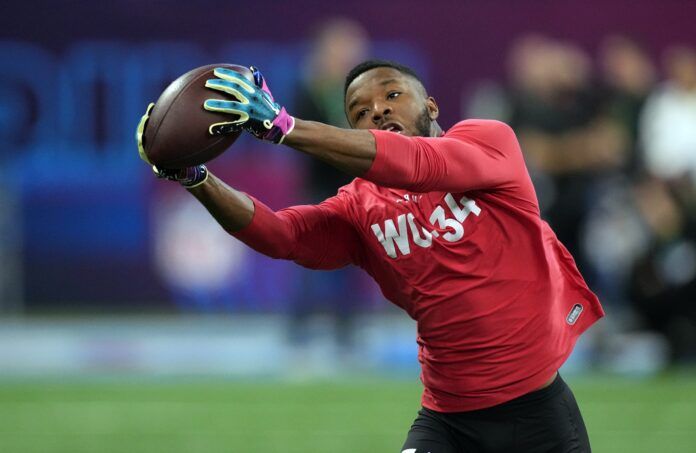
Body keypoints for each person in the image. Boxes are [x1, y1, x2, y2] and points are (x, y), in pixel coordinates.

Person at [138, 60, 604, 452]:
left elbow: (419, 163)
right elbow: (281, 235)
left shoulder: (488, 140)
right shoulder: (359, 207)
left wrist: (286, 128)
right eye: (359, 112)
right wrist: (196, 177)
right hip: (449, 420)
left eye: (393, 96)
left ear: (431, 106)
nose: (377, 111)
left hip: (539, 412)